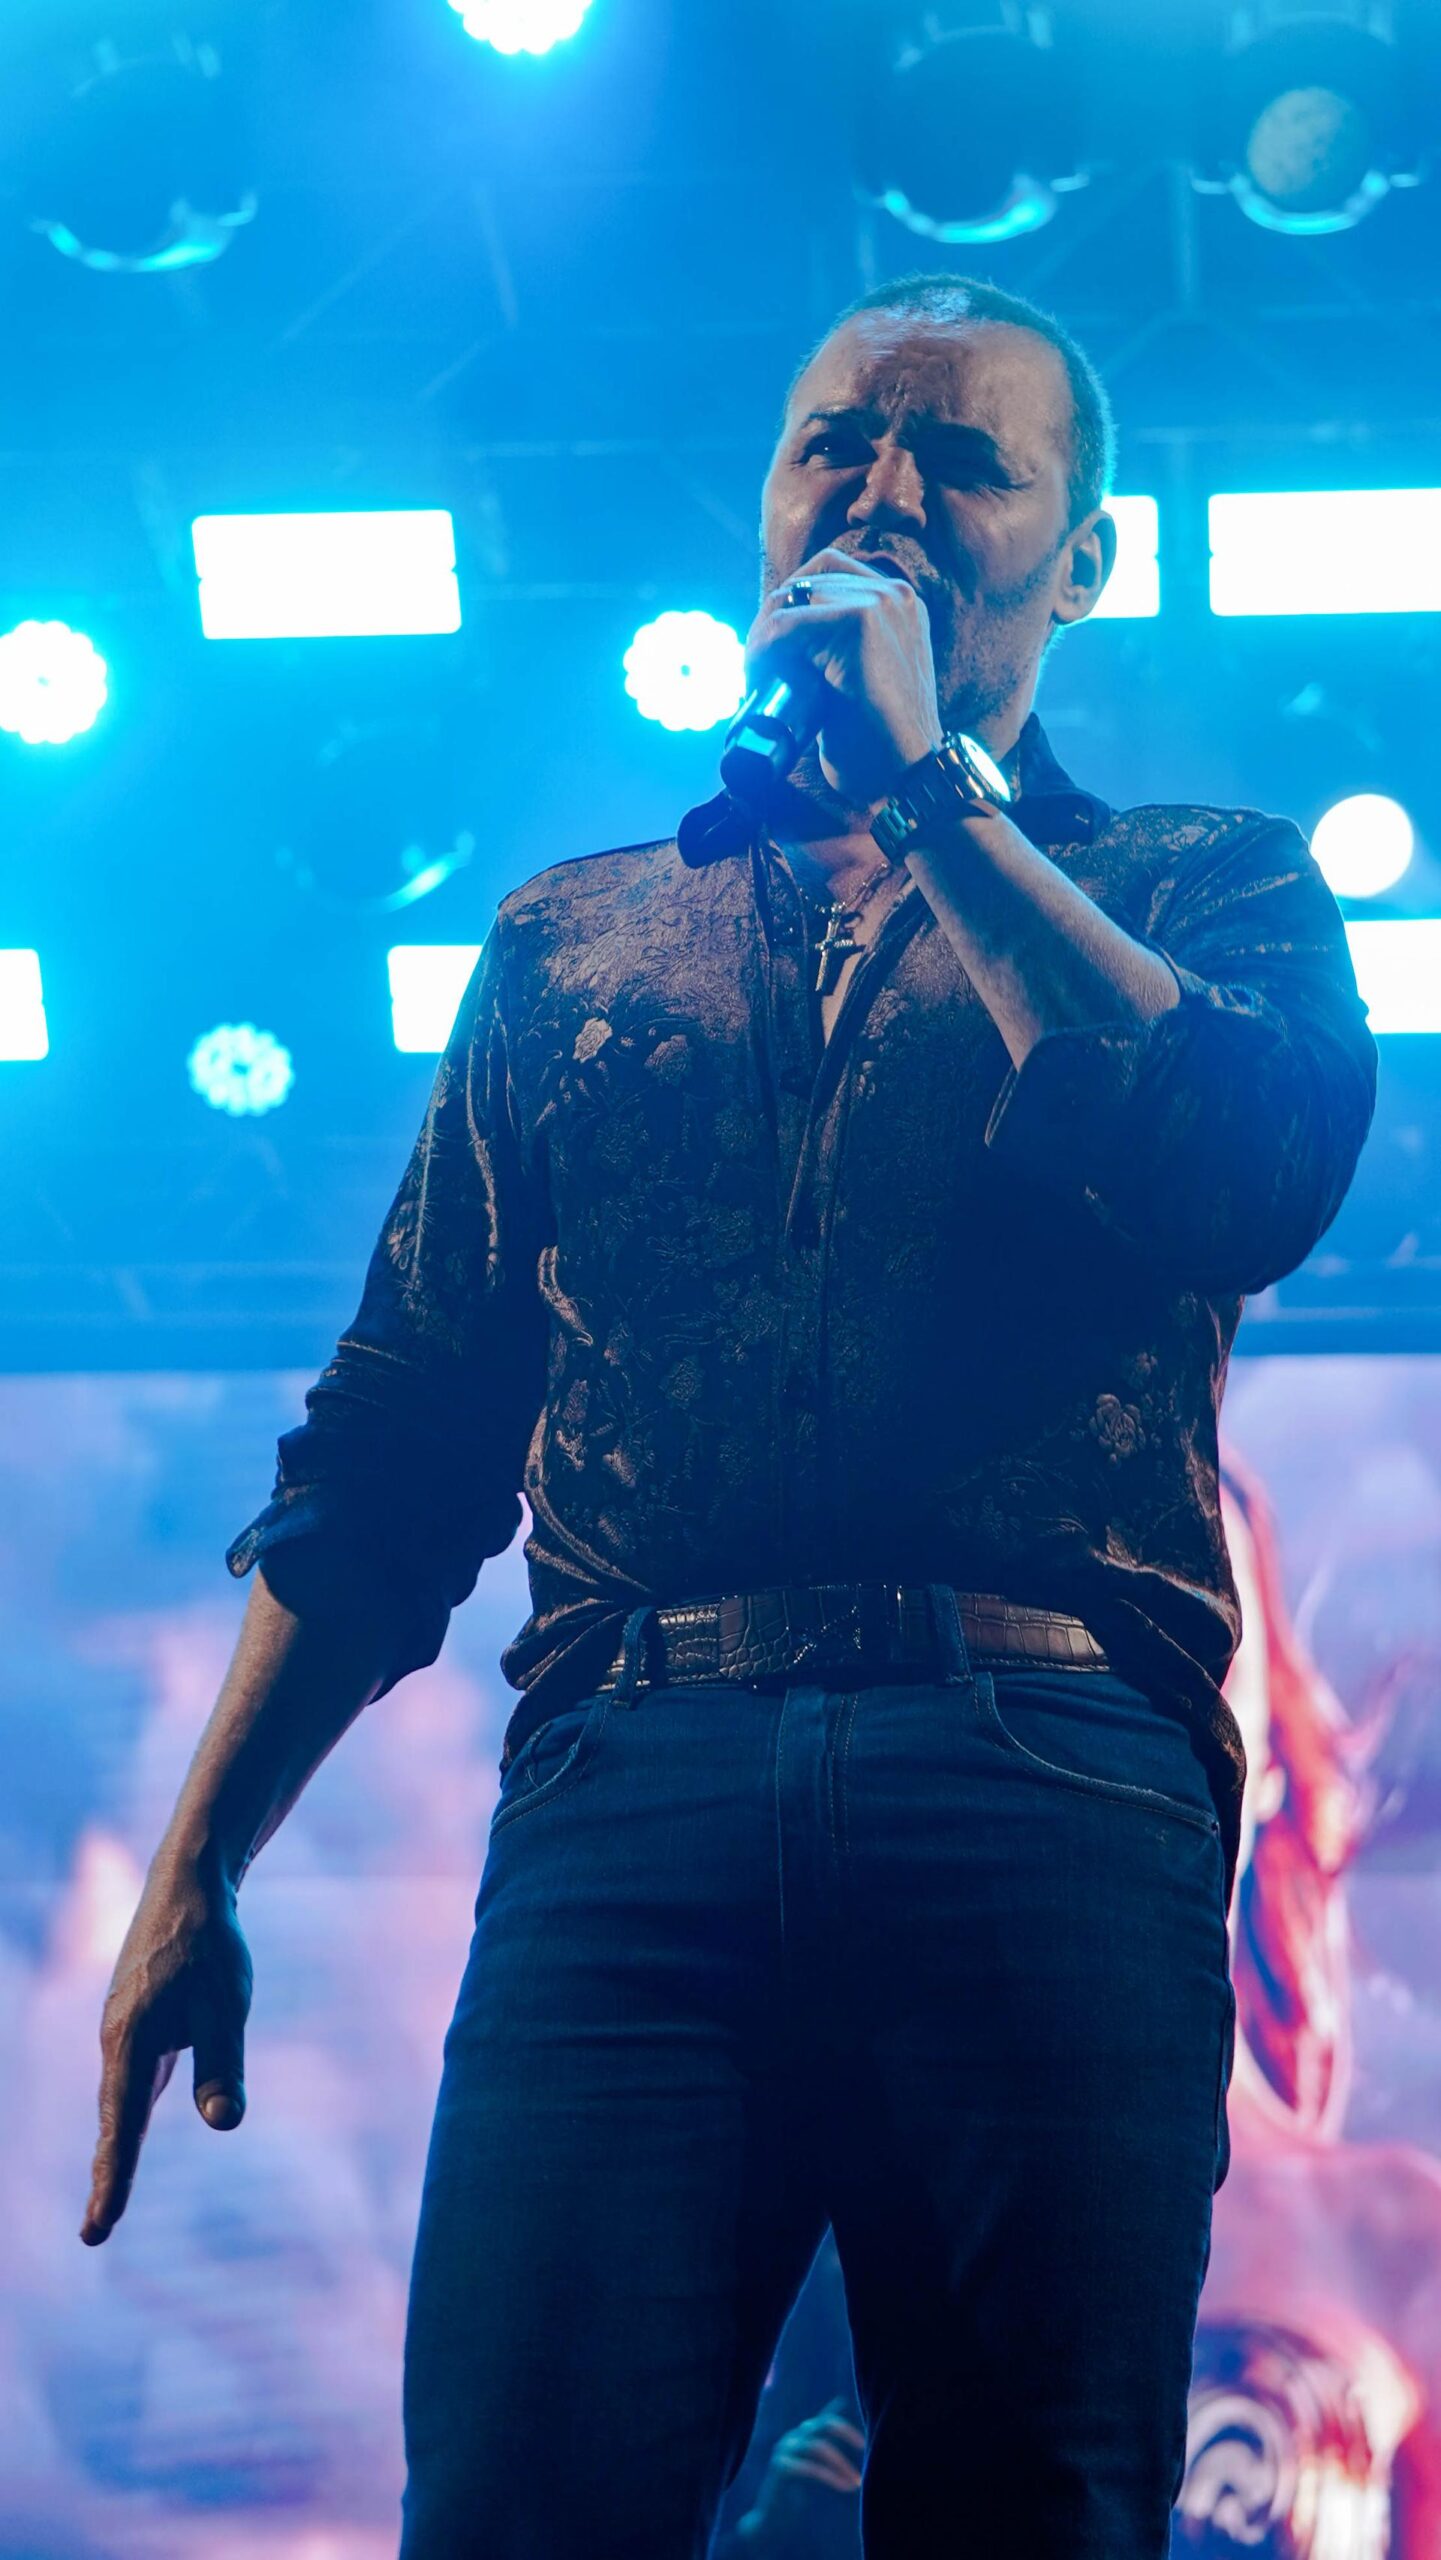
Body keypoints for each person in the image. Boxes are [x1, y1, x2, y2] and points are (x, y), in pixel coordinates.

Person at [80, 274, 1379, 2558]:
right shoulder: (571, 946)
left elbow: (1239, 1174)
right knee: (520, 2503)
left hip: (1043, 1780)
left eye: (958, 459)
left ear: (1081, 559)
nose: (879, 490)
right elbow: (395, 1445)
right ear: (760, 506)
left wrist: (930, 797)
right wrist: (198, 1863)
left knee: (1024, 2513)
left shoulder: (1202, 885)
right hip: (631, 1792)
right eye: (831, 447)